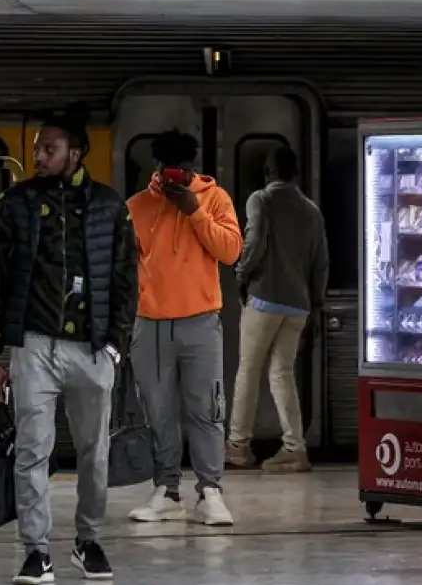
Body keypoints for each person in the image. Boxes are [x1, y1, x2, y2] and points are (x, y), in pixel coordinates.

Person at [0, 110, 137, 585]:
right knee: (32, 450)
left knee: (95, 452)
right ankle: (37, 550)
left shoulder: (109, 206)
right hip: (33, 345)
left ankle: (89, 540)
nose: (39, 156)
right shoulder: (15, 204)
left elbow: (127, 278)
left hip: (93, 347)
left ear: (76, 152)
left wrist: (116, 345)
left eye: (49, 148)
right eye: (37, 149)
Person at [126, 129, 242, 527]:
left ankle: (210, 492)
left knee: (206, 409)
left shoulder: (215, 199)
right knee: (157, 411)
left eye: (182, 170)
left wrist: (194, 211)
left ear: (192, 168)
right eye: (168, 169)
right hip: (149, 323)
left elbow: (230, 251)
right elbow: (125, 268)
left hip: (201, 321)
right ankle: (167, 490)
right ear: (157, 167)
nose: (174, 176)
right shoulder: (137, 206)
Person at [228, 145, 329, 473]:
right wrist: (316, 303)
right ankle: (294, 448)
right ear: (295, 173)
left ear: (268, 173)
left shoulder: (261, 200)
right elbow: (321, 262)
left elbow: (255, 240)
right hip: (298, 306)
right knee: (282, 373)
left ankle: (238, 446)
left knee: (249, 370)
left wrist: (242, 273)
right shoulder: (312, 210)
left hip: (264, 299)